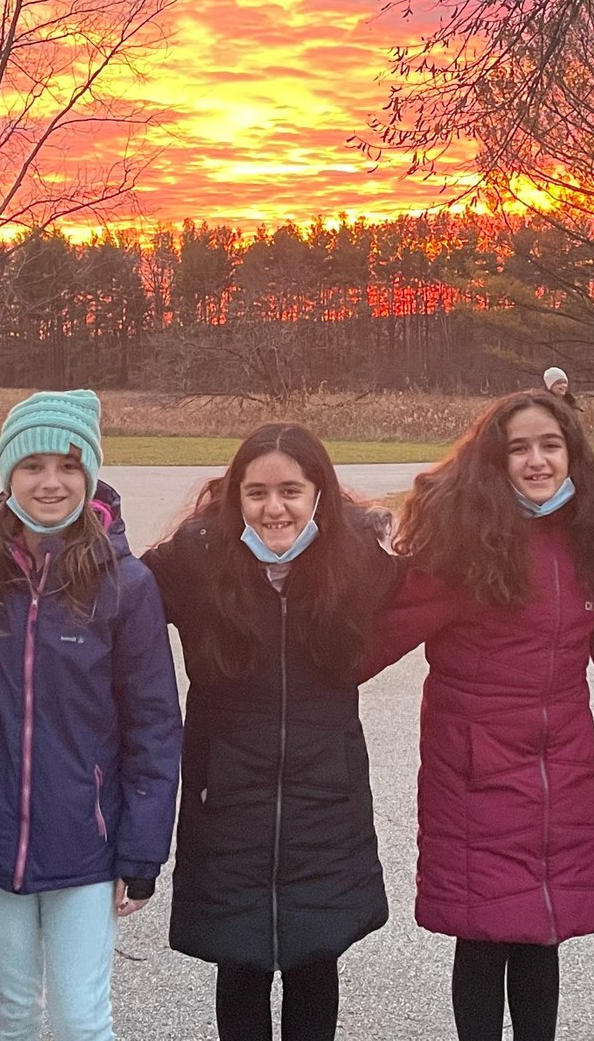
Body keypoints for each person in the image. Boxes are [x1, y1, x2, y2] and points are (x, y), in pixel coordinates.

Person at [365, 389, 594, 1041]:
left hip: (560, 761)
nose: (537, 460)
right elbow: (370, 639)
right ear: (496, 458)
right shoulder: (464, 544)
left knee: (543, 928)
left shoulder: (590, 537)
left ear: (572, 453)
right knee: (485, 929)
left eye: (550, 445)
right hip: (474, 766)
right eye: (520, 448)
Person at [141, 422, 396, 1041]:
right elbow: (112, 591)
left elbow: (453, 568)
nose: (274, 507)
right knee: (242, 963)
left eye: (291, 490)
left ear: (318, 494)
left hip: (324, 798)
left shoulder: (362, 559)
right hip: (228, 796)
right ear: (236, 498)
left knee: (316, 959)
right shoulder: (194, 562)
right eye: (256, 492)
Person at [0, 389, 182, 1041]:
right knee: (14, 1013)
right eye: (32, 466)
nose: (51, 482)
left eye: (69, 467)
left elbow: (155, 725)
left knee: (81, 1020)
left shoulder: (124, 584)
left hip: (88, 846)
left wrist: (142, 851)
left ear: (90, 475)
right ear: (8, 475)